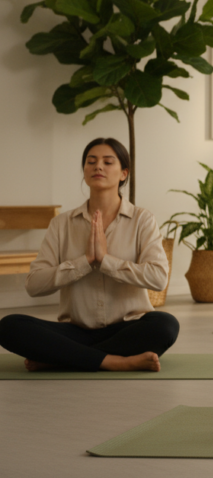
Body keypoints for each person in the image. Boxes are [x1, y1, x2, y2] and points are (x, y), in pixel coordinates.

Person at [0, 138, 178, 372]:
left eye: (108, 161)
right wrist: (84, 262)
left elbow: (158, 278)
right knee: (9, 326)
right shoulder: (61, 224)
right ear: (84, 171)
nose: (98, 167)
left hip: (127, 329)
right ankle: (115, 361)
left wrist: (106, 261)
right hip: (75, 332)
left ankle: (61, 358)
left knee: (165, 325)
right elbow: (34, 285)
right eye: (91, 161)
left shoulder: (142, 220)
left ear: (124, 173)